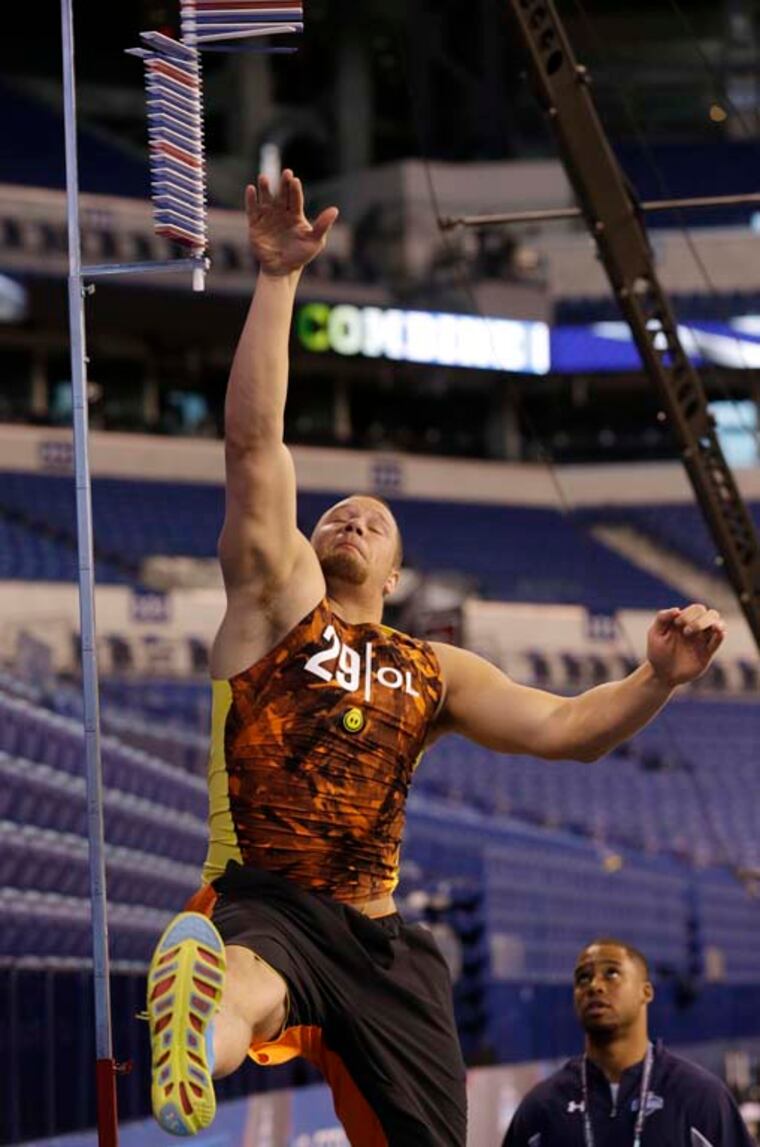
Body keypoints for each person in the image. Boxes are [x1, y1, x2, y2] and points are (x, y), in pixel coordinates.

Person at [146, 169, 727, 1147]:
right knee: (245, 980)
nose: (348, 517)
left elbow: (568, 729)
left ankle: (206, 1025)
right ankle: (191, 1038)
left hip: (381, 940)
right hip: (269, 894)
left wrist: (657, 678)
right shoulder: (276, 601)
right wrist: (279, 278)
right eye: (335, 511)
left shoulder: (433, 671)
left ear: (397, 567)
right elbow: (254, 448)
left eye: (371, 519)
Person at [502, 938, 755, 1147]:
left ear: (646, 992)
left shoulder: (698, 1097)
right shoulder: (542, 1107)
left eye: (611, 973)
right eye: (583, 978)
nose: (594, 986)